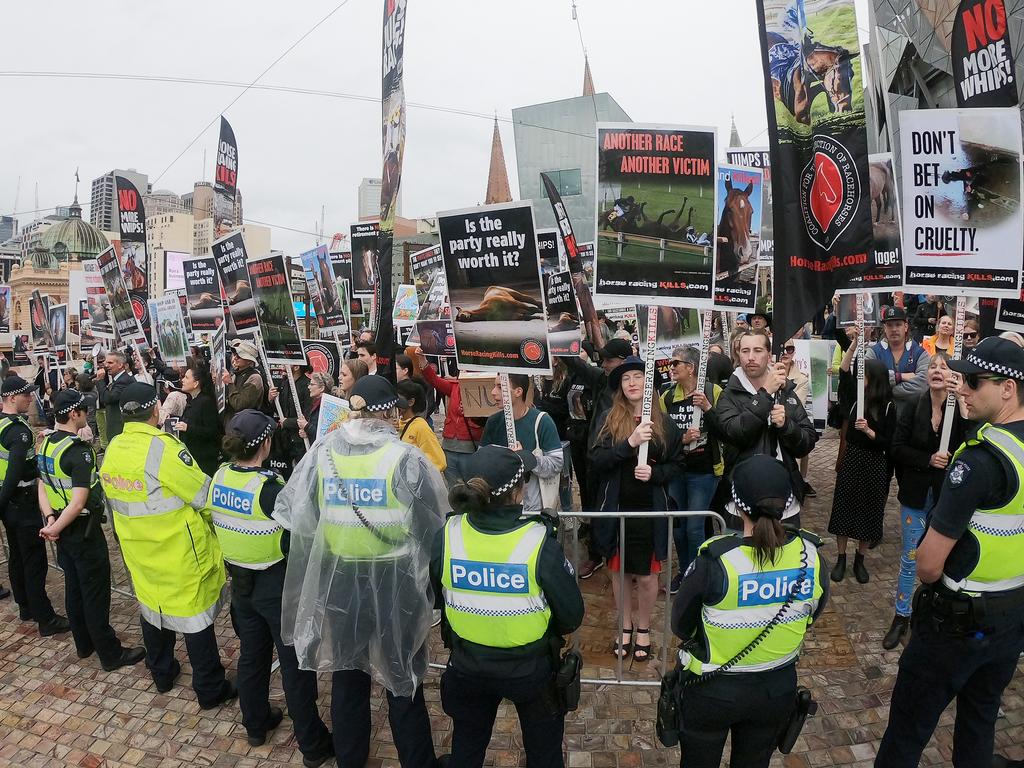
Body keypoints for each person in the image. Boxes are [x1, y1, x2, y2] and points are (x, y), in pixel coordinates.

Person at [276, 375, 448, 768]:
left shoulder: (324, 455)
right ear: (389, 412)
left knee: (348, 675)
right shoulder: (404, 458)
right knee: (401, 676)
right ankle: (417, 761)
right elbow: (433, 528)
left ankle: (350, 758)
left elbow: (303, 516)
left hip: (341, 580)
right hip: (395, 581)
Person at [875, 337, 1024, 767]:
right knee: (979, 721)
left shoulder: (979, 460)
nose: (963, 389)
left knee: (907, 730)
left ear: (1008, 388)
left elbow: (926, 564)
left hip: (956, 623)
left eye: (974, 382)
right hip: (1010, 618)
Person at [430, 445, 584, 768]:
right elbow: (572, 614)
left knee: (467, 749)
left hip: (467, 664)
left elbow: (437, 593)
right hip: (531, 671)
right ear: (518, 493)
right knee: (544, 754)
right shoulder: (538, 541)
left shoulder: (449, 534)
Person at [672, 455, 828, 768]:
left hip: (713, 691)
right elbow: (812, 614)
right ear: (787, 504)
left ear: (736, 505)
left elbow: (680, 624)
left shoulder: (716, 560)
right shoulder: (811, 556)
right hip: (775, 689)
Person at [209, 410, 334, 766]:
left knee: (252, 655)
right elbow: (304, 526)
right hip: (275, 585)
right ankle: (312, 744)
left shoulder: (220, 477)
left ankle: (255, 722)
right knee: (294, 665)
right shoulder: (269, 489)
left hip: (241, 583)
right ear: (265, 443)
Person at [100, 382, 235, 708]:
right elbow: (204, 496)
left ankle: (162, 672)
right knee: (195, 619)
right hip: (178, 551)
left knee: (152, 609)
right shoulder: (164, 449)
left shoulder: (115, 447)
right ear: (156, 410)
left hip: (139, 548)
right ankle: (210, 687)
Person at [36, 390, 146, 670]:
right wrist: (55, 526)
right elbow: (79, 501)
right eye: (84, 410)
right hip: (81, 530)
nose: (87, 414)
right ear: (74, 414)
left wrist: (50, 519)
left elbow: (43, 484)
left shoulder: (47, 443)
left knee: (73, 587)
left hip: (61, 528)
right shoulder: (77, 451)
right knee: (95, 593)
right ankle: (110, 653)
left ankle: (83, 643)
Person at [590, 356, 683, 661]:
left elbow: (677, 465)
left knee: (645, 576)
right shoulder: (607, 419)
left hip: (650, 510)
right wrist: (628, 443)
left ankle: (643, 627)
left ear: (649, 384)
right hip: (618, 508)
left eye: (638, 376)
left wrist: (656, 474)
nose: (631, 382)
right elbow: (597, 461)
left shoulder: (665, 423)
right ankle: (624, 625)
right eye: (626, 378)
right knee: (618, 571)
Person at [884, 353, 968, 650]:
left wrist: (964, 409)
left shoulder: (959, 410)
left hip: (947, 498)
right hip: (916, 496)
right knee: (910, 559)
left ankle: (931, 616)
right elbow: (896, 448)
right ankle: (901, 615)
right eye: (932, 366)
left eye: (943, 367)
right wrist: (927, 460)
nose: (937, 371)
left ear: (951, 376)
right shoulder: (913, 406)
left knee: (942, 561)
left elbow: (971, 445)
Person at [716, 329, 818, 521]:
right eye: (745, 351)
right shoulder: (729, 394)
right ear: (738, 354)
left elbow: (807, 442)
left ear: (769, 355)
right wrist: (765, 394)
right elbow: (735, 432)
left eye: (757, 350)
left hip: (785, 505)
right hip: (741, 504)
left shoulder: (786, 392)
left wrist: (787, 425)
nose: (750, 357)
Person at [0, 376, 69, 636]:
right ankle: (45, 618)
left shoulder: (2, 424)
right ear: (11, 398)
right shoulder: (18, 430)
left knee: (17, 556)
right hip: (21, 501)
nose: (30, 399)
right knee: (33, 561)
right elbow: (16, 471)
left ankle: (26, 606)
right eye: (25, 395)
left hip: (10, 503)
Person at [827, 355, 896, 584]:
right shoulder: (855, 399)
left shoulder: (888, 406)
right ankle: (841, 558)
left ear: (874, 379)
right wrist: (855, 344)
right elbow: (843, 372)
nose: (860, 378)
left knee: (869, 511)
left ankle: (860, 559)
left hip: (875, 462)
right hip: (852, 459)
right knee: (844, 508)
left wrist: (869, 432)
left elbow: (889, 443)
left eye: (864, 375)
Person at [660, 346, 724, 593]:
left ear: (691, 367)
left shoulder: (713, 391)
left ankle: (698, 576)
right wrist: (681, 440)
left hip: (704, 471)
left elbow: (725, 430)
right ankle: (685, 572)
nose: (671, 367)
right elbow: (660, 437)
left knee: (694, 527)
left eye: (676, 363)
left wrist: (707, 407)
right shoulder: (666, 396)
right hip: (676, 470)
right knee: (678, 526)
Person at [480, 374, 564, 515]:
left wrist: (527, 458)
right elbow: (481, 463)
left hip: (533, 509)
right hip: (500, 508)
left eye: (500, 387)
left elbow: (556, 464)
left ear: (518, 392)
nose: (493, 392)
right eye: (494, 386)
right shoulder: (493, 422)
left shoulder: (542, 421)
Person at [415, 348, 483, 487]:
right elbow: (433, 379)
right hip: (449, 446)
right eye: (462, 369)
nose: (464, 372)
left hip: (470, 447)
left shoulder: (484, 390)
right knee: (453, 488)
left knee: (471, 488)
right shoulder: (454, 387)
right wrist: (422, 359)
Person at [865, 306, 930, 418]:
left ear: (905, 326)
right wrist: (900, 377)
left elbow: (923, 386)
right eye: (889, 325)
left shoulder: (921, 354)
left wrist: (883, 388)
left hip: (911, 418)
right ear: (884, 328)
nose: (894, 329)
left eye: (898, 324)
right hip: (879, 419)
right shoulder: (873, 352)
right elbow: (866, 381)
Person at [176, 362, 224, 476]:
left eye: (186, 377)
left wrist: (188, 428)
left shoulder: (206, 402)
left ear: (196, 383)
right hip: (192, 456)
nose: (182, 380)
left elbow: (212, 431)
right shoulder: (192, 400)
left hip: (204, 460)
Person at [397, 379, 446, 473]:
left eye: (398, 399)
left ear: (411, 402)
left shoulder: (421, 427)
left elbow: (439, 462)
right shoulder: (397, 423)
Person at [273, 372, 333, 445]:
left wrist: (306, 426)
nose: (309, 387)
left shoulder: (328, 407)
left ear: (322, 388)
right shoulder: (314, 403)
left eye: (312, 384)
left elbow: (326, 434)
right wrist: (307, 433)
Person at [222, 339, 271, 422]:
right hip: (234, 423)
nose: (235, 358)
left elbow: (240, 405)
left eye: (240, 356)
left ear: (249, 361)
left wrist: (230, 384)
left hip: (246, 425)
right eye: (235, 354)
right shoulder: (235, 375)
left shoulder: (254, 378)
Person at [94, 350, 135, 442]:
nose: (106, 365)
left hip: (120, 428)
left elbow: (108, 398)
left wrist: (100, 381)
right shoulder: (117, 380)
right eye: (106, 362)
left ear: (120, 365)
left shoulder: (124, 381)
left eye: (110, 363)